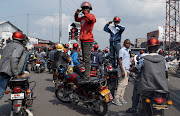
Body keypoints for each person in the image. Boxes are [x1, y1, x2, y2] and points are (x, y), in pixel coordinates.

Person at [127, 37, 169, 114]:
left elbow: (136, 69)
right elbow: (166, 73)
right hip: (161, 88)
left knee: (136, 89)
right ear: (157, 48)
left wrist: (129, 70)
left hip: (147, 88)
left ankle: (134, 108)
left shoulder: (143, 59)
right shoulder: (163, 60)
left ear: (148, 48)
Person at [0, 31, 27, 100]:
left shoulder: (8, 46)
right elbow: (14, 58)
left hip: (2, 70)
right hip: (8, 72)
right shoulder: (19, 47)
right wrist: (15, 73)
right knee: (1, 91)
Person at [74, 1, 96, 78]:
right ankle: (86, 73)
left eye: (86, 8)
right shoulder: (83, 18)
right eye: (83, 8)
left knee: (87, 58)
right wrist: (76, 13)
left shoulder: (91, 16)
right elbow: (76, 19)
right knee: (84, 58)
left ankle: (87, 75)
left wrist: (86, 12)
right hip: (83, 40)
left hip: (88, 40)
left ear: (89, 9)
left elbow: (91, 19)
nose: (84, 10)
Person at [112, 39, 131, 106]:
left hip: (127, 70)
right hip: (122, 70)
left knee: (124, 85)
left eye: (129, 43)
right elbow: (119, 60)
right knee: (121, 84)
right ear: (124, 44)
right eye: (127, 43)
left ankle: (121, 98)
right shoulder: (122, 50)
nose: (128, 45)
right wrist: (122, 70)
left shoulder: (127, 51)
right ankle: (116, 98)